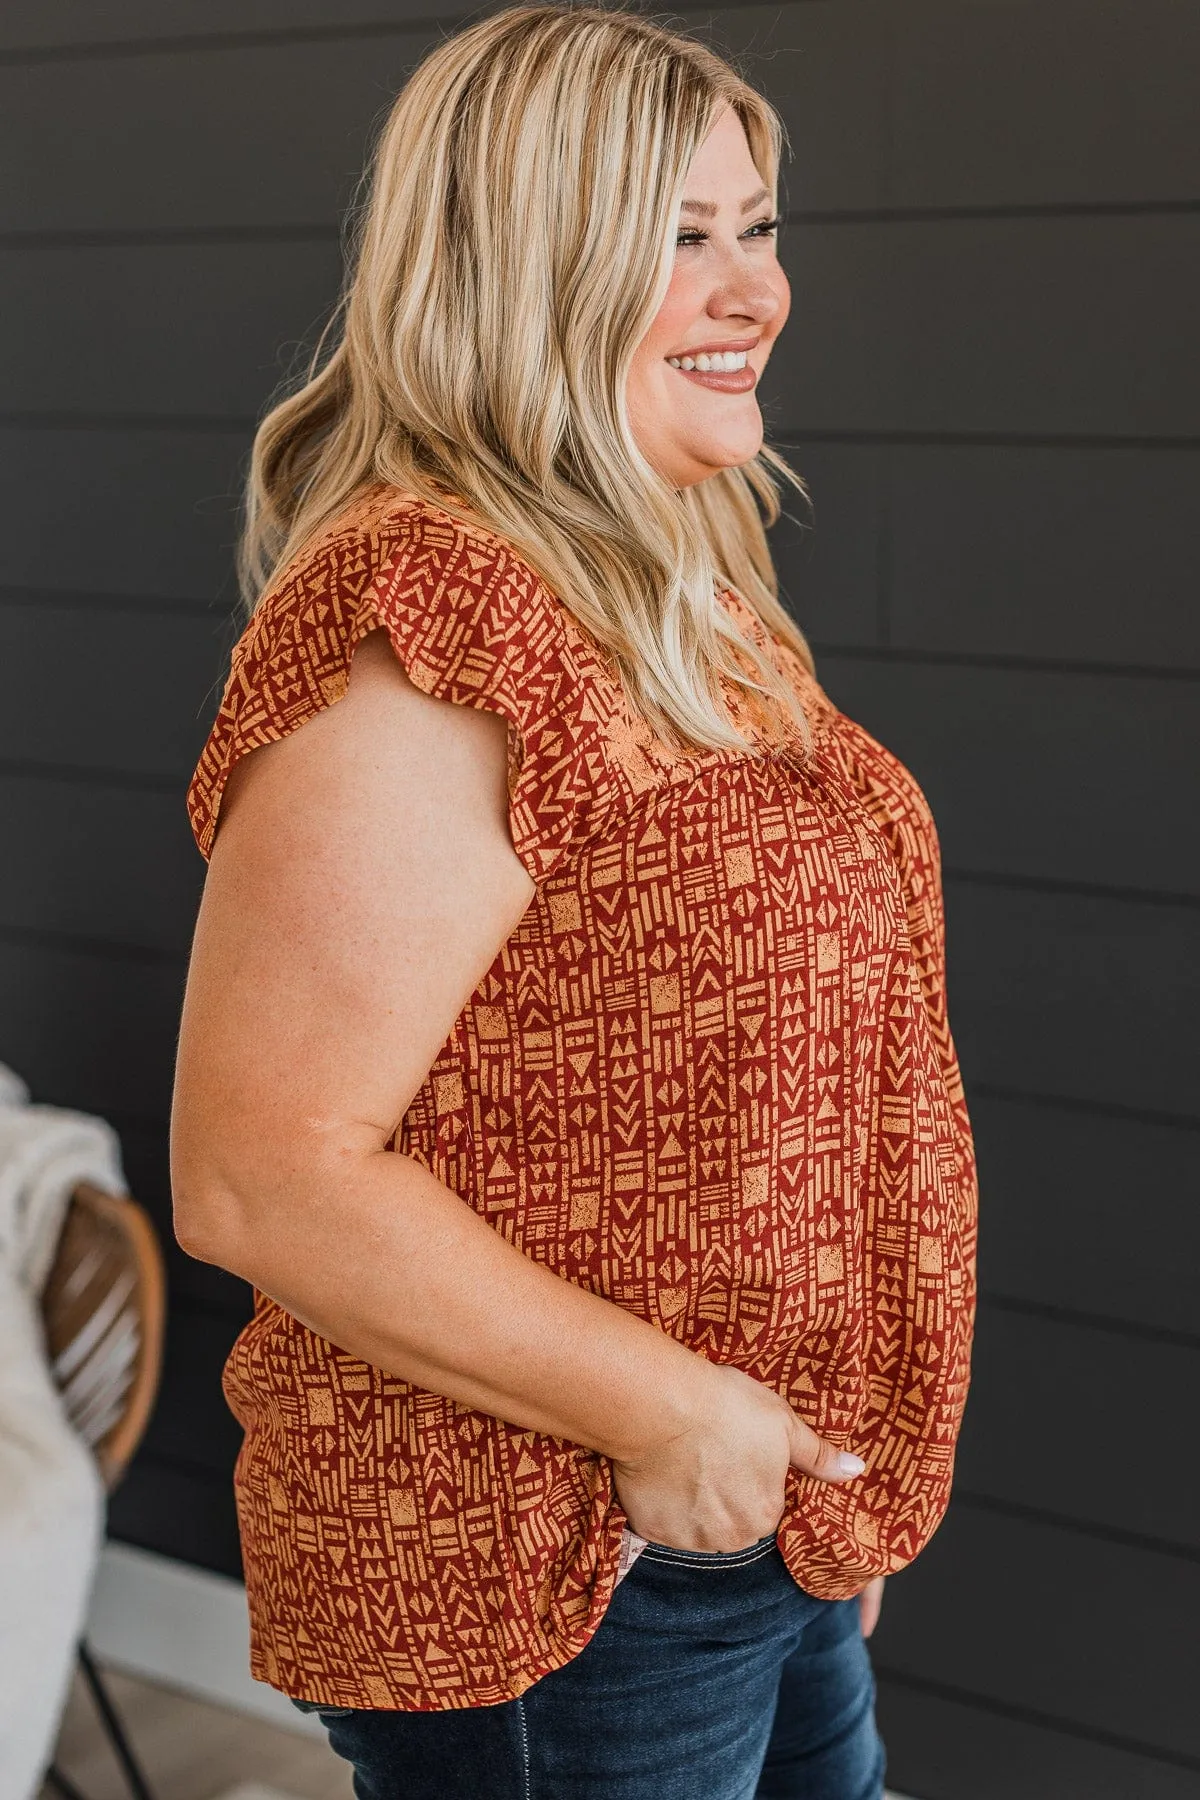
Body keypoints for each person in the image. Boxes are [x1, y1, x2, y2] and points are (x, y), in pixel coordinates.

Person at [171, 7, 978, 1796]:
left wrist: (795, 1469)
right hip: (565, 1563)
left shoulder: (677, 571)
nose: (751, 287)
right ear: (526, 265)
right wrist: (676, 1422)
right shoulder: (426, 620)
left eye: (755, 228)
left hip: (757, 1522)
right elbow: (262, 1170)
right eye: (679, 236)